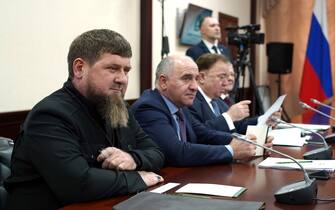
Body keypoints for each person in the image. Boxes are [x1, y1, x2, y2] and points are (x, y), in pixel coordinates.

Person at [5, 29, 165, 209]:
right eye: (112, 69)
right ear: (79, 68)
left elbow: (156, 152)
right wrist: (138, 178)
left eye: (126, 70)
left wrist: (132, 158)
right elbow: (76, 183)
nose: (123, 79)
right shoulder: (49, 115)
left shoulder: (118, 107)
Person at [131, 55, 260, 167]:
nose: (194, 87)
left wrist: (245, 141)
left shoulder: (180, 104)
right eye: (186, 78)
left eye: (196, 79)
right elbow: (176, 152)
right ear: (163, 82)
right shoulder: (149, 107)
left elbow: (203, 134)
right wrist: (231, 151)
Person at [189, 53, 257, 134]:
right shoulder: (190, 101)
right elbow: (199, 135)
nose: (226, 83)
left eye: (230, 76)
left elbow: (238, 126)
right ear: (202, 77)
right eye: (222, 77)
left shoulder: (218, 101)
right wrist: (229, 117)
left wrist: (265, 119)